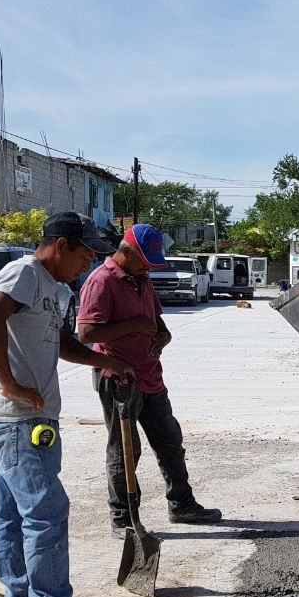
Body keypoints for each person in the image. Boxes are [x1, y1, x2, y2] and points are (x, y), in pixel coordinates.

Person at [0, 211, 135, 597]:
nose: (88, 265)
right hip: (17, 423)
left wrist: (106, 361)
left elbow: (61, 343)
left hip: (26, 423)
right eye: (84, 255)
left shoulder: (54, 287)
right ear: (61, 246)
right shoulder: (24, 273)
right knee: (46, 516)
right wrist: (10, 385)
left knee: (13, 517)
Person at [76, 224, 221, 539]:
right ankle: (124, 519)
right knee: (126, 450)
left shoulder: (142, 280)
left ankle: (182, 505)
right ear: (127, 253)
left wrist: (163, 335)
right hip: (118, 378)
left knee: (170, 442)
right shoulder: (101, 281)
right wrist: (134, 326)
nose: (148, 269)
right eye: (144, 262)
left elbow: (156, 322)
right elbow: (87, 333)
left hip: (150, 375)